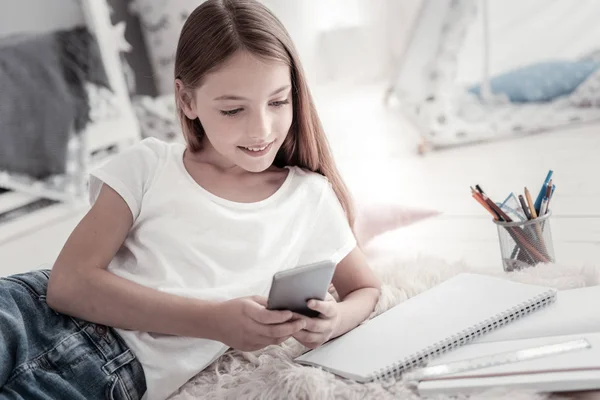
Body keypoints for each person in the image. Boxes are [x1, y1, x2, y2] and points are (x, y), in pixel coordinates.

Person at [0, 1, 381, 399]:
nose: (262, 129)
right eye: (233, 110)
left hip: (109, 374)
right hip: (29, 314)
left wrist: (334, 321)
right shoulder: (148, 165)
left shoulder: (308, 196)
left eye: (278, 101)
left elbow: (365, 289)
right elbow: (67, 284)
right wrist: (212, 321)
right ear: (186, 101)